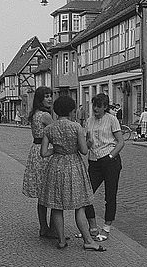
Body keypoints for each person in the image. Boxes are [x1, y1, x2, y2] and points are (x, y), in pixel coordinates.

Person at [39, 95, 105, 252]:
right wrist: (87, 143)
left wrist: (55, 150)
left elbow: (43, 153)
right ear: (70, 111)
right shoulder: (76, 127)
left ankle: (61, 240)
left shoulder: (49, 129)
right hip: (74, 166)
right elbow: (83, 151)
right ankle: (88, 240)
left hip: (56, 166)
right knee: (80, 206)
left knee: (56, 206)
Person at [84, 92, 124, 241]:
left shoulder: (112, 120)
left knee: (110, 195)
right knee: (86, 194)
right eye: (94, 105)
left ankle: (106, 228)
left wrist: (110, 156)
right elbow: (88, 141)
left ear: (105, 107)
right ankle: (92, 227)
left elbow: (120, 142)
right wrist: (85, 144)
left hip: (109, 161)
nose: (95, 109)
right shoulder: (89, 121)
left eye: (98, 106)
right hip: (94, 161)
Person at [22, 86, 54, 238]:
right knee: (52, 191)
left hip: (36, 151)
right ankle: (53, 228)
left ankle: (44, 227)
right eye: (46, 96)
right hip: (46, 152)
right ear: (40, 98)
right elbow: (58, 131)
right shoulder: (45, 116)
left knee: (42, 193)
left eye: (50, 96)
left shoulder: (35, 114)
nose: (49, 99)